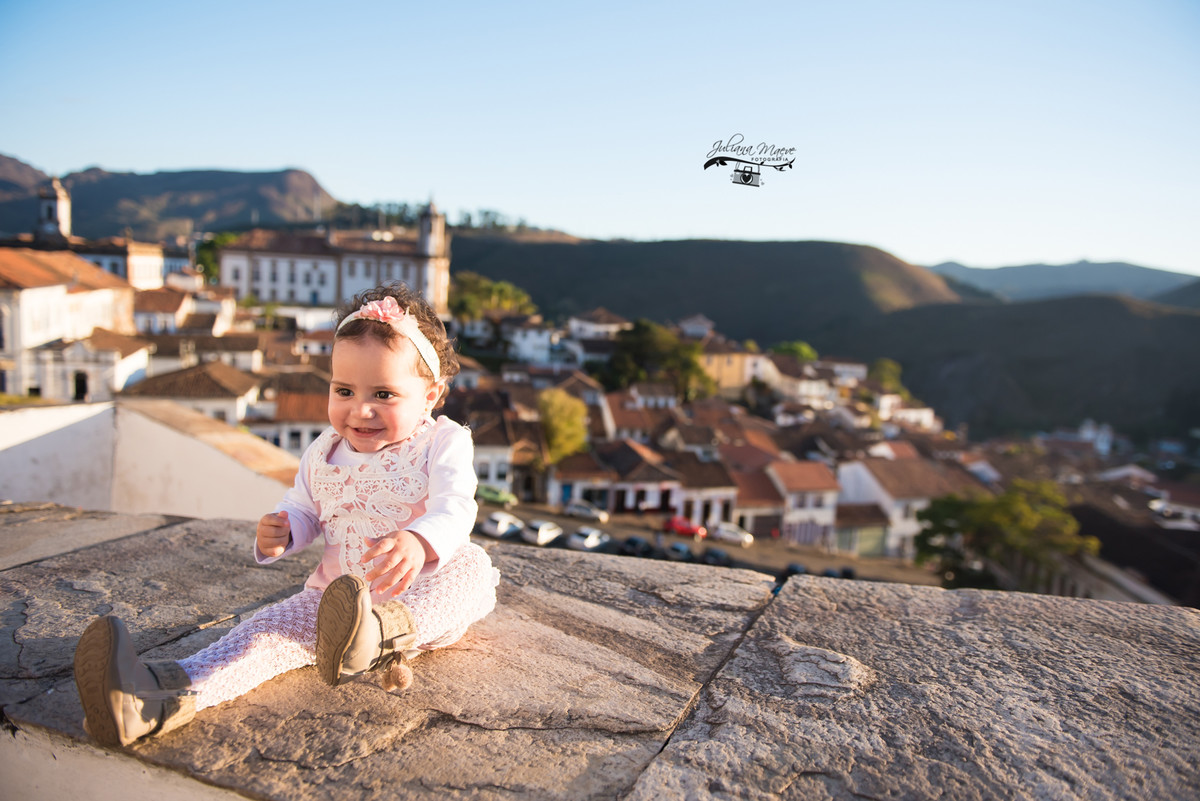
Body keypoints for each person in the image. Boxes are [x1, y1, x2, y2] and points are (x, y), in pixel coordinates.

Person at [73, 283, 499, 748]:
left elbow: (455, 505)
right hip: (333, 604)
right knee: (260, 635)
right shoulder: (323, 452)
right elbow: (303, 507)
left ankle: (377, 636)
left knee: (472, 567)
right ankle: (153, 698)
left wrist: (419, 542)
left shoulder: (442, 441)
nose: (361, 409)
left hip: (416, 599)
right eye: (344, 390)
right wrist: (284, 529)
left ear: (431, 393)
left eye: (383, 393)